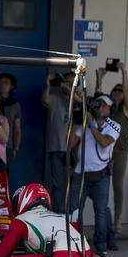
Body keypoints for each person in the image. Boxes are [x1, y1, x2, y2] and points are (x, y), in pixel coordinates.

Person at [68, 94, 120, 254]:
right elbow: (70, 144)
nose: (101, 108)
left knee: (101, 210)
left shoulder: (114, 125)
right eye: (99, 105)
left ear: (110, 109)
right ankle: (71, 241)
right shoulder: (85, 122)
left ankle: (100, 244)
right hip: (80, 173)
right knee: (74, 209)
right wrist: (74, 122)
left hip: (101, 175)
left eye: (105, 106)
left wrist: (91, 124)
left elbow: (104, 142)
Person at [96, 62, 128, 234]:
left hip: (119, 151)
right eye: (115, 90)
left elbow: (126, 92)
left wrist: (124, 72)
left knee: (117, 185)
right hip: (103, 149)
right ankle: (103, 219)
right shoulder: (106, 110)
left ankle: (117, 219)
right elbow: (98, 99)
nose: (117, 92)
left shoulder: (126, 110)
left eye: (119, 90)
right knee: (99, 184)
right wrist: (100, 79)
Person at [41, 71, 81, 213]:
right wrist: (48, 86)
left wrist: (71, 91)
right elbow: (45, 99)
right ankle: (59, 214)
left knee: (75, 184)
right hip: (56, 147)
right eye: (66, 82)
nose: (67, 85)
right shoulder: (55, 97)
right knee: (58, 184)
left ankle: (72, 215)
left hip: (75, 150)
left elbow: (84, 105)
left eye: (72, 83)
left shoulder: (78, 101)